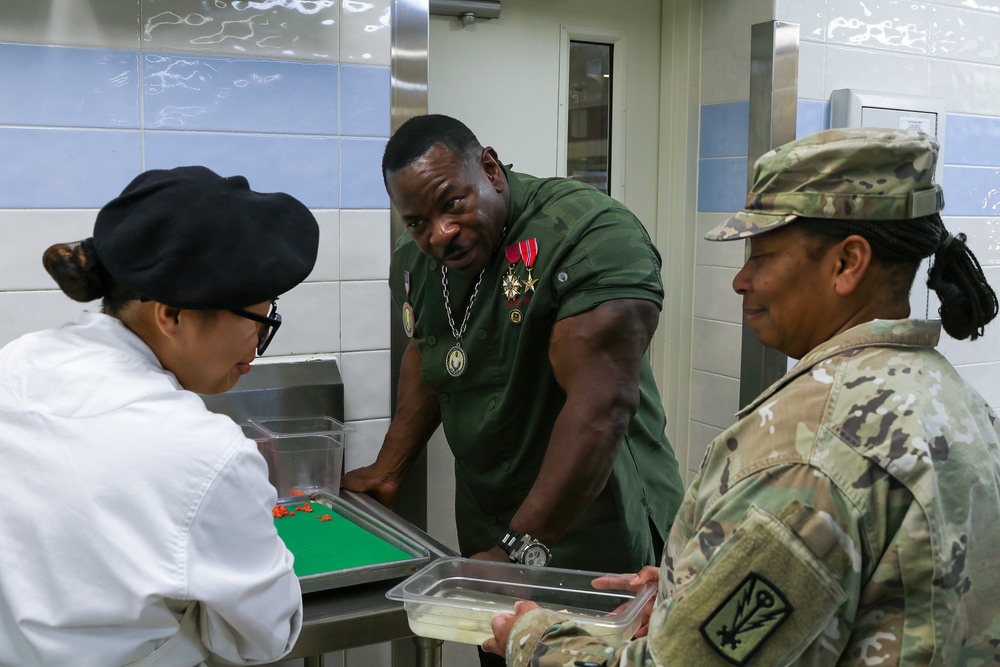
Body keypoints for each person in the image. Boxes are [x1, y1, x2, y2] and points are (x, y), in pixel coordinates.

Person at [486, 128, 1000, 665]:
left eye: (763, 255)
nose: (740, 280)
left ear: (847, 263)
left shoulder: (809, 452)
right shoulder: (953, 401)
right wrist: (695, 589)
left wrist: (535, 639)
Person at [342, 113, 684, 662]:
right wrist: (389, 468)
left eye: (453, 203)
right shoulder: (416, 263)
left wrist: (520, 547)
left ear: (491, 169)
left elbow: (601, 406)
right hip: (493, 529)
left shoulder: (589, 235)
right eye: (416, 222)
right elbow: (429, 354)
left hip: (600, 535)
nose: (439, 234)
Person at [0, 166, 320, 667]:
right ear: (170, 315)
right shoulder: (206, 454)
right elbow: (263, 635)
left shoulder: (14, 363)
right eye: (258, 321)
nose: (257, 342)